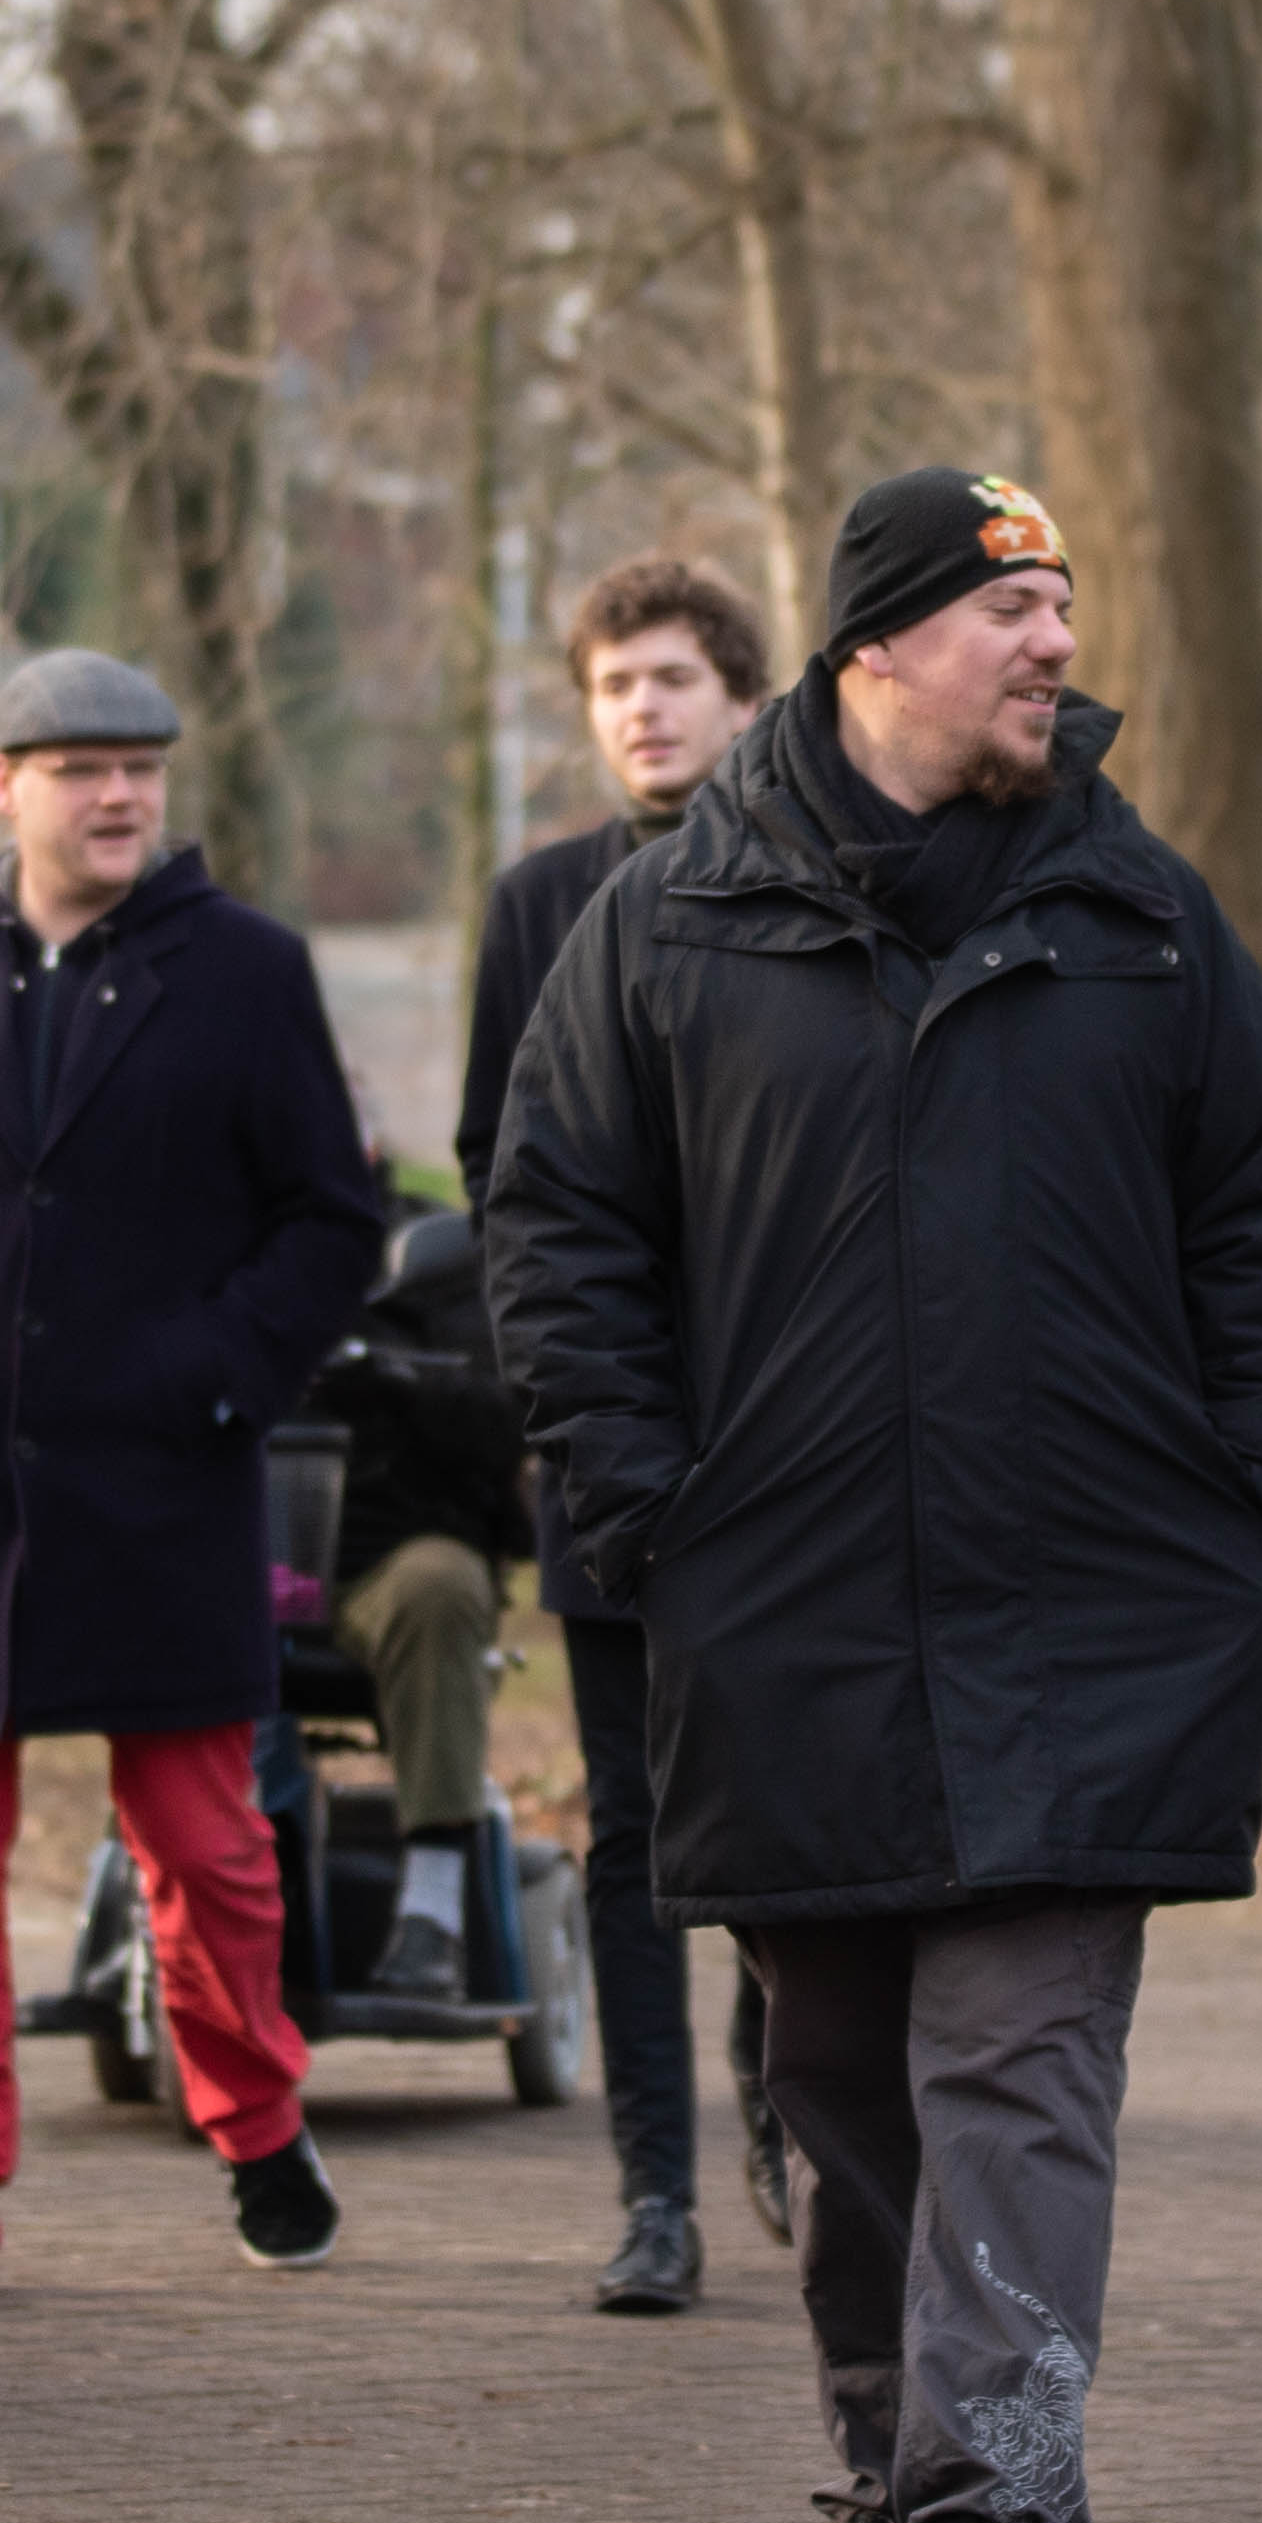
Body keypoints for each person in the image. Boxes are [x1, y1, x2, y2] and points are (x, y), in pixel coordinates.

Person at [486, 467, 1262, 2523]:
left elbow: (1260, 1199)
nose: (1056, 644)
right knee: (839, 2070)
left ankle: (996, 2516)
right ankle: (883, 2481)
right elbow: (555, 1218)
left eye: (1063, 603)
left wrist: (1244, 1481)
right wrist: (647, 1501)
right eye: (1009, 611)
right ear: (878, 647)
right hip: (782, 1607)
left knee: (1015, 2052)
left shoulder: (1138, 914)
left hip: (1092, 1604)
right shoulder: (671, 923)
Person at [0, 647, 388, 2296]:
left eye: (140, 763)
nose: (118, 791)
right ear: (0, 782)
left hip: (166, 1490)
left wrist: (210, 1373)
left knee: (209, 1858)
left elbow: (330, 1223)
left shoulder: (247, 971)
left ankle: (256, 2117)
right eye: (78, 765)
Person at [456, 551, 771, 2315]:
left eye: (671, 676)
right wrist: (560, 1402)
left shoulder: (811, 881)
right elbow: (502, 1169)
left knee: (795, 1813)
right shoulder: (536, 907)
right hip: (604, 1448)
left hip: (793, 1450)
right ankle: (655, 2188)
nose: (641, 708)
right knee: (635, 1834)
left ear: (740, 694)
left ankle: (786, 2109)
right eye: (611, 684)